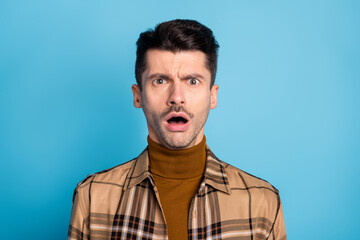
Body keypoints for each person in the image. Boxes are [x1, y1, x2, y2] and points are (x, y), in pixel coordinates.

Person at [68, 19, 287, 240]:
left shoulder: (262, 203)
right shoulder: (92, 197)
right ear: (138, 95)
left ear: (212, 96)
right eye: (160, 81)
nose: (176, 98)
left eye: (192, 81)